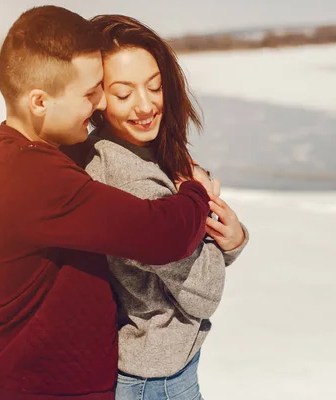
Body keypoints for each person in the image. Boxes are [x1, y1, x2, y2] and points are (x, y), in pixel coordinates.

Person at [0, 6, 214, 400]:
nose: (99, 105)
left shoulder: (26, 159)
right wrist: (195, 190)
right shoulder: (33, 178)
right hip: (43, 389)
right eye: (90, 94)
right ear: (39, 102)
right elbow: (162, 235)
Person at [80, 14, 249, 400]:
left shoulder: (124, 150)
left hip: (154, 368)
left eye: (154, 87)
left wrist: (232, 236)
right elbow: (204, 291)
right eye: (124, 94)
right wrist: (202, 206)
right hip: (155, 381)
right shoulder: (133, 181)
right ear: (97, 97)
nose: (145, 106)